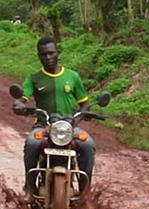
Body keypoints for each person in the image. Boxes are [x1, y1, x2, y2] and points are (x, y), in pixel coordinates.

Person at [12, 36, 96, 195]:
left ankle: (86, 192)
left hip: (69, 127)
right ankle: (30, 188)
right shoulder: (34, 78)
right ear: (39, 56)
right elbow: (23, 98)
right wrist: (19, 105)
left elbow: (84, 102)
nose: (48, 57)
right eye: (44, 54)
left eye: (51, 53)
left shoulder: (72, 76)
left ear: (58, 53)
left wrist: (78, 118)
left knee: (88, 144)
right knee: (31, 143)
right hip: (43, 126)